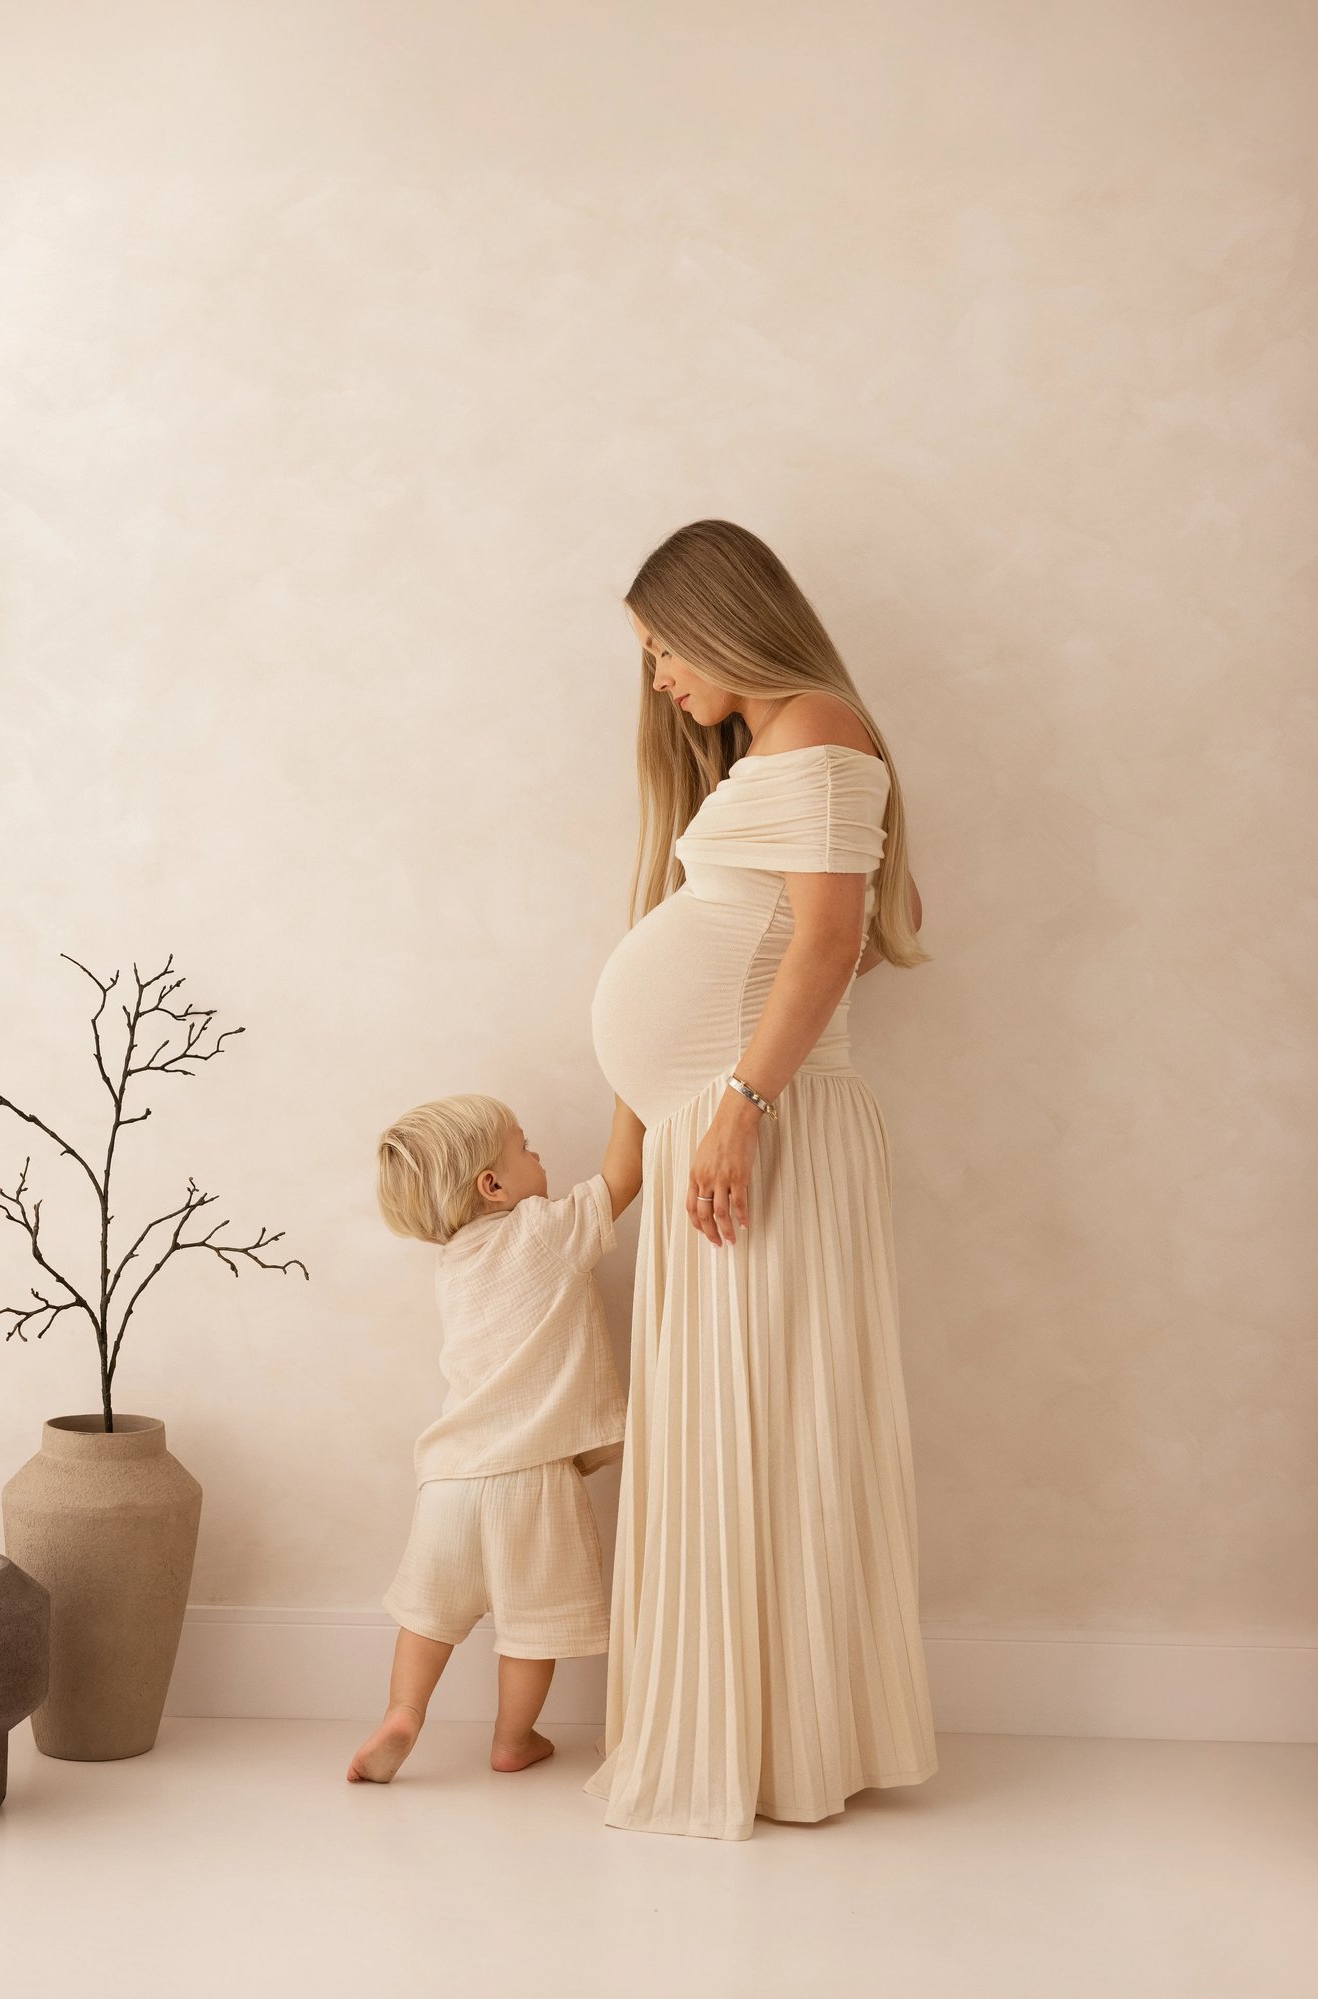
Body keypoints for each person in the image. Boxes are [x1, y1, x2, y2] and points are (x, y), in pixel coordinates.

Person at [587, 519, 939, 1840]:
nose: (660, 678)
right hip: (725, 1128)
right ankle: (759, 1729)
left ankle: (782, 1742)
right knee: (741, 1411)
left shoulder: (821, 729)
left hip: (758, 1128)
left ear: (724, 617)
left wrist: (737, 1102)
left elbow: (832, 940)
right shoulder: (782, 749)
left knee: (771, 1415)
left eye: (665, 647)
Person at [348, 1091, 643, 1784]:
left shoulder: (452, 1266)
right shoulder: (542, 1230)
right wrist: (631, 1093)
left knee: (429, 1612)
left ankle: (403, 1710)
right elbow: (623, 1178)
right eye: (526, 1145)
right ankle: (513, 1738)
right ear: (494, 1185)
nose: (539, 1155)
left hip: (449, 1480)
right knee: (531, 1624)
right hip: (532, 1476)